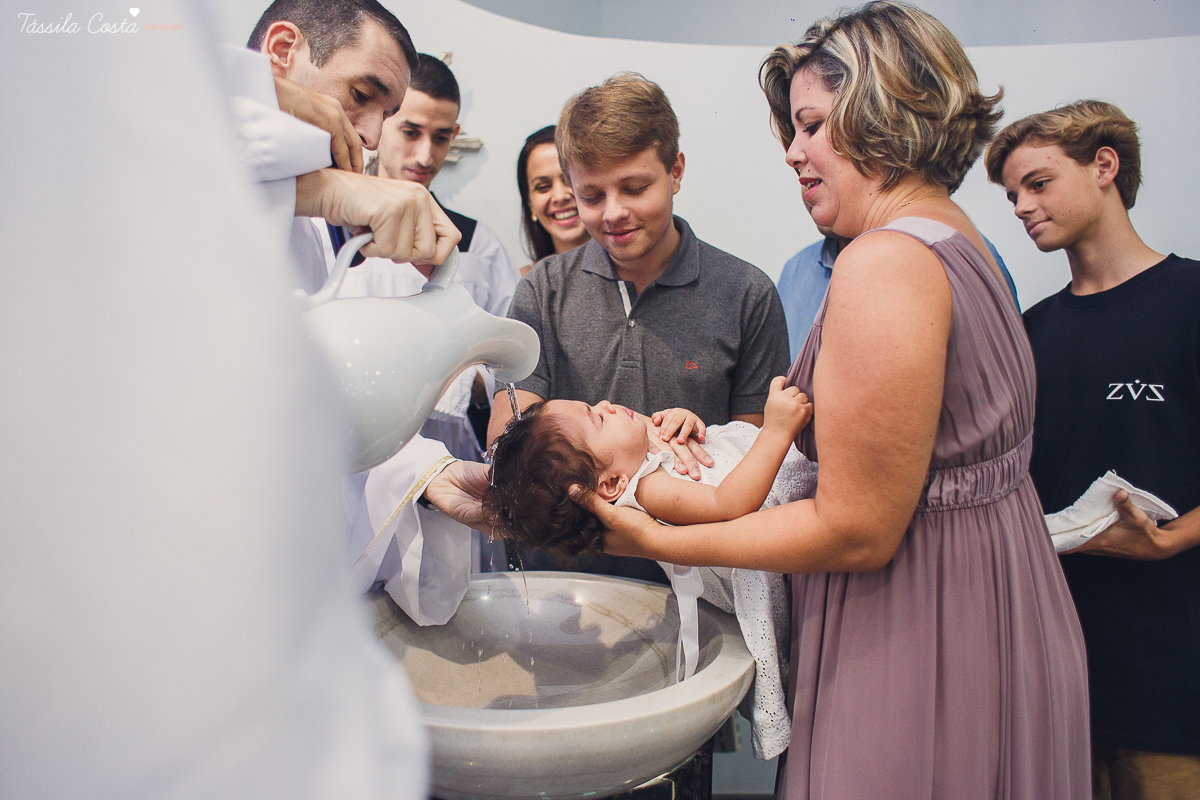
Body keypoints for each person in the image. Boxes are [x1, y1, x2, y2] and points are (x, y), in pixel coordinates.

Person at [575, 4, 1091, 797]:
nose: (792, 151)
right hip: (999, 602)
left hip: (918, 629)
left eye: (811, 125)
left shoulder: (884, 264)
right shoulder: (961, 242)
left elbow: (857, 530)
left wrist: (658, 539)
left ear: (882, 113)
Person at [490, 73, 791, 583]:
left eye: (634, 187)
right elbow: (507, 442)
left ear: (675, 172)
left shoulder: (746, 294)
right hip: (564, 584)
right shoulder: (543, 291)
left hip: (698, 586)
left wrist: (697, 435)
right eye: (591, 195)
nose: (614, 213)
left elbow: (755, 457)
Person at [986, 100, 1200, 798]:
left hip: (1173, 683)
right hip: (1056, 682)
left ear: (1104, 165)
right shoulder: (1029, 333)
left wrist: (1172, 542)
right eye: (1012, 193)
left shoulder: (1191, 300)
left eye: (1038, 183)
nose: (1021, 206)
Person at [344, 53, 520, 463]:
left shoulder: (478, 245)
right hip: (350, 460)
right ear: (381, 119)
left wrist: (466, 384)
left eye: (441, 138)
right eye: (410, 131)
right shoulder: (333, 227)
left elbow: (513, 362)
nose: (425, 156)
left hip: (453, 462)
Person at [243, 0, 460, 293]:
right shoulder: (181, 115)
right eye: (360, 94)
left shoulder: (308, 241)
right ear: (282, 50)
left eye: (386, 115)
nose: (372, 138)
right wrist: (325, 193)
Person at [516, 125, 592, 272]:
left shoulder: (636, 270)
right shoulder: (523, 285)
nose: (560, 196)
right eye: (543, 187)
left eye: (570, 180)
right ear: (530, 204)